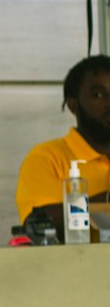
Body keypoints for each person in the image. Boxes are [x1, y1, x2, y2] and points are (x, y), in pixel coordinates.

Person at [16, 54, 110, 234]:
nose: (109, 102)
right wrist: (106, 200)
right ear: (73, 105)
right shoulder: (46, 157)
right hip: (79, 262)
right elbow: (38, 223)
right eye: (98, 95)